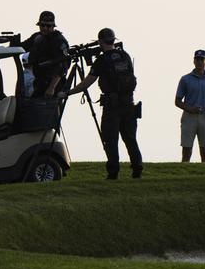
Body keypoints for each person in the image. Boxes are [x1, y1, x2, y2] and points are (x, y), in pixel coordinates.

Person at [59, 28, 143, 180]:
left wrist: (67, 93)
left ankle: (113, 172)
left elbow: (86, 83)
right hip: (129, 104)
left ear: (100, 41)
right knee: (130, 138)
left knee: (111, 140)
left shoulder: (102, 60)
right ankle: (137, 169)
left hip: (112, 106)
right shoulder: (125, 55)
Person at [175, 49, 205, 162]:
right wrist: (190, 109)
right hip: (189, 117)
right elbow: (177, 101)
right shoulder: (185, 79)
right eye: (197, 59)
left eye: (202, 59)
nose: (199, 62)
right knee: (187, 149)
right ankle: (184, 175)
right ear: (193, 61)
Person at [18, 10, 70, 98]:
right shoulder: (37, 37)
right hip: (39, 82)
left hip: (52, 84)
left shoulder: (58, 40)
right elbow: (22, 47)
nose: (45, 28)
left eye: (48, 26)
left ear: (53, 26)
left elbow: (62, 66)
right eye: (42, 25)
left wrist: (52, 88)